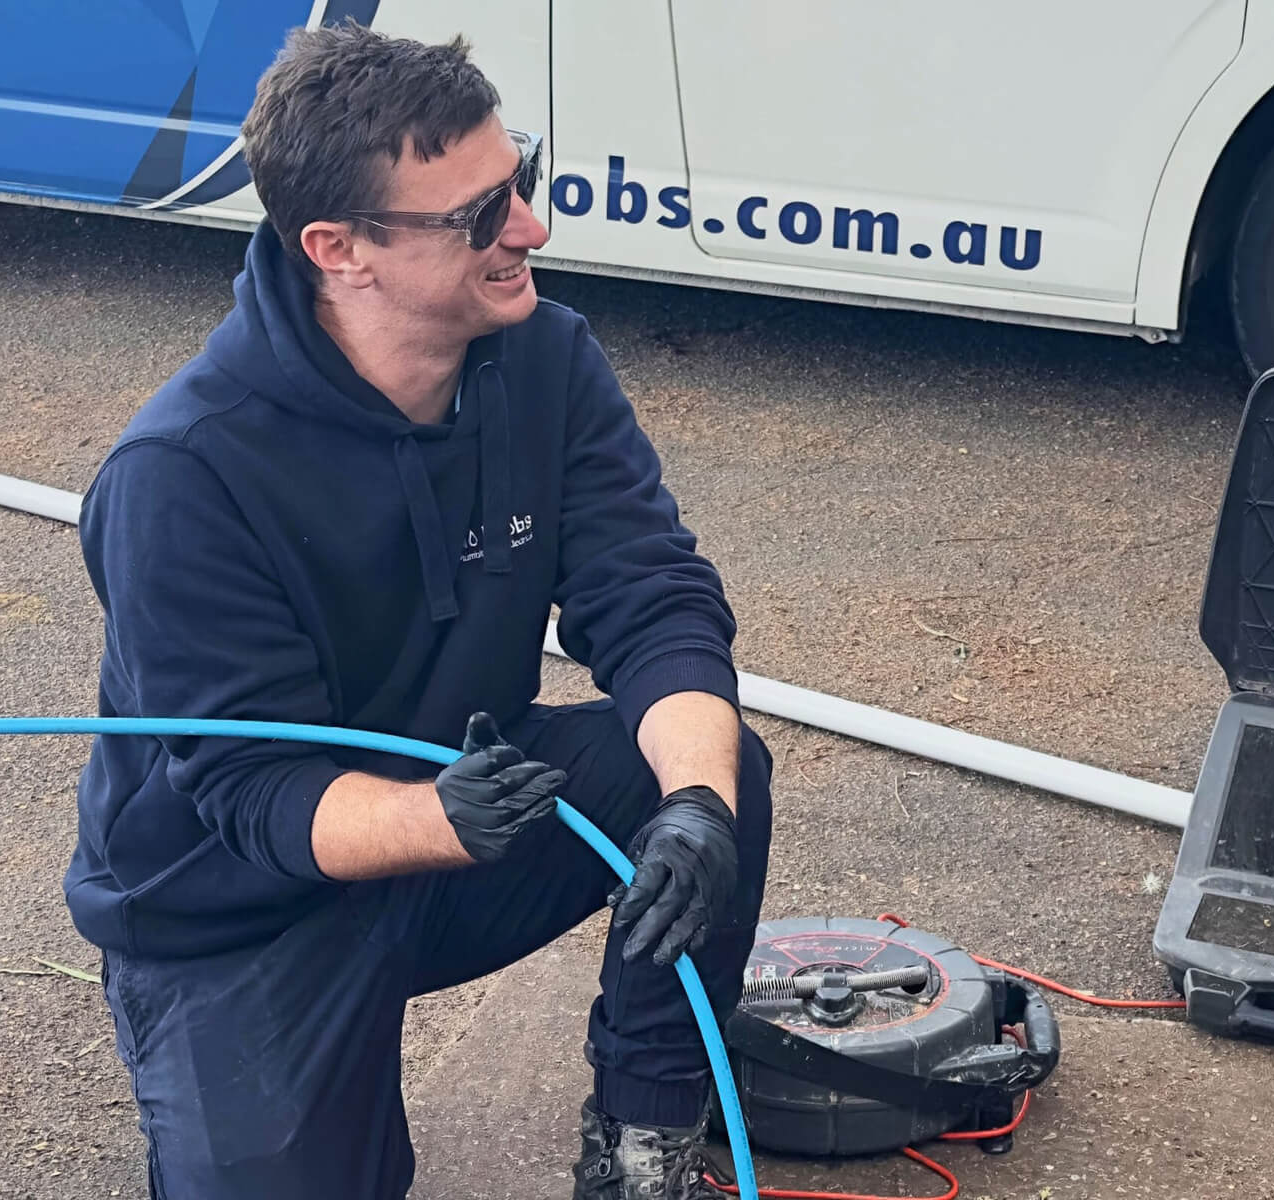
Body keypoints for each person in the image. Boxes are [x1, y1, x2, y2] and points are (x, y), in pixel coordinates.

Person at [63, 22, 771, 1200]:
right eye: (479, 215)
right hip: (242, 910)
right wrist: (444, 821)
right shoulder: (183, 474)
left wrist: (698, 807)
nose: (532, 229)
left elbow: (653, 601)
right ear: (339, 249)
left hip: (456, 827)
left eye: (521, 180)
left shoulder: (544, 360)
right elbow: (253, 791)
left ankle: (644, 1140)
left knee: (705, 762)